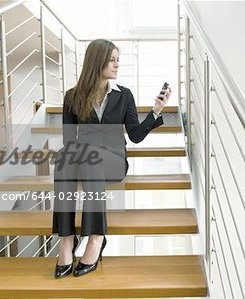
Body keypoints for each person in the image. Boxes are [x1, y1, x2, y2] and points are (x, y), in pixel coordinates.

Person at [52, 39, 171, 278]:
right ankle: (67, 239)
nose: (117, 65)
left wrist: (155, 111)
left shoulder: (124, 95)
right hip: (85, 160)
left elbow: (135, 135)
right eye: (112, 60)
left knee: (88, 158)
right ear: (97, 61)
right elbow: (68, 140)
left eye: (119, 60)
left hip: (114, 160)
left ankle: (96, 238)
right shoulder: (72, 96)